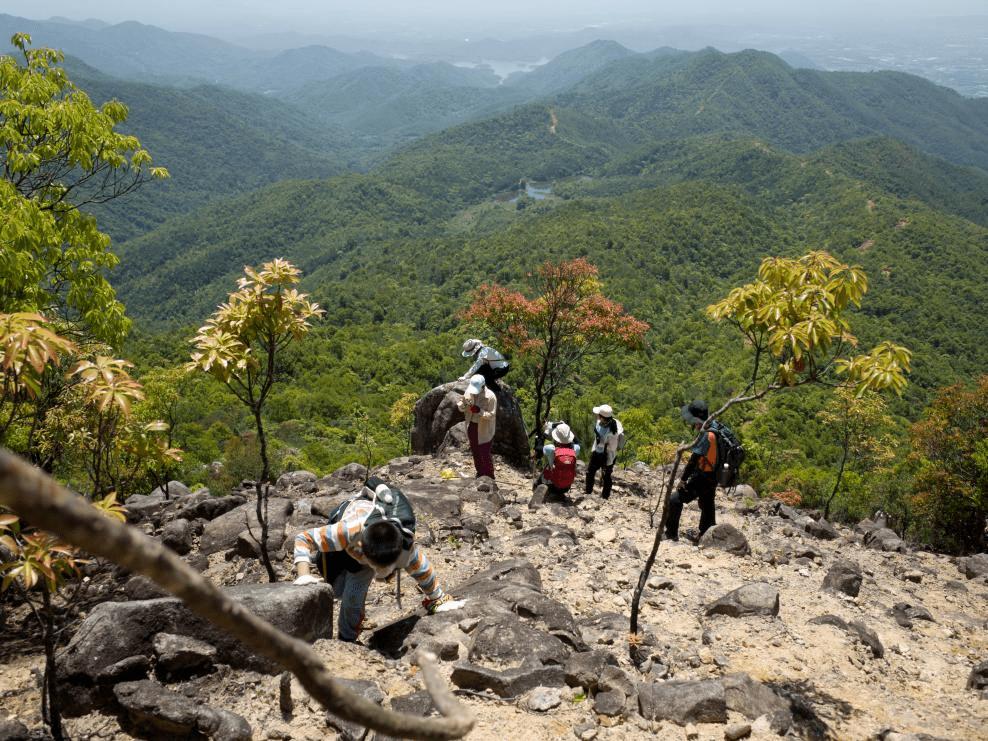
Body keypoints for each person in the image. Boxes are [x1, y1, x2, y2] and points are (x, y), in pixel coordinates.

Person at [292, 478, 453, 642]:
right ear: (360, 546)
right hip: (349, 551)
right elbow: (304, 538)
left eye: (386, 569)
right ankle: (351, 625)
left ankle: (347, 639)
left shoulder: (405, 550)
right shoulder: (348, 531)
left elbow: (424, 573)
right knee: (338, 590)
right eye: (378, 568)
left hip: (366, 557)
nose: (380, 574)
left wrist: (438, 599)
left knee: (352, 598)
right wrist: (303, 574)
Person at [665, 400, 720, 543]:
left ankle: (671, 534)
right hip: (714, 476)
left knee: (675, 500)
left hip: (702, 477)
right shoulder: (716, 427)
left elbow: (693, 461)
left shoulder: (706, 436)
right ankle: (706, 534)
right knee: (707, 504)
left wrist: (682, 480)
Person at [456, 373, 497, 479]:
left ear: (483, 386)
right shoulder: (469, 392)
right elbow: (461, 406)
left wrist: (479, 411)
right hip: (472, 425)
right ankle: (479, 472)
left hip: (485, 428)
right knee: (475, 451)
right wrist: (462, 405)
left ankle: (489, 476)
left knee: (485, 452)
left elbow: (492, 415)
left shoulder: (490, 397)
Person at [533, 421, 581, 501]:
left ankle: (540, 493)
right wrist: (567, 429)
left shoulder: (551, 448)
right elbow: (578, 442)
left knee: (545, 470)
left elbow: (538, 448)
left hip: (552, 487)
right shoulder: (575, 449)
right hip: (566, 487)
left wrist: (546, 433)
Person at [584, 404, 624, 500]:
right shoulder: (615, 424)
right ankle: (605, 496)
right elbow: (618, 445)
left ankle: (588, 491)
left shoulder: (602, 428)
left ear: (601, 416)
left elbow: (599, 444)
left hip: (600, 454)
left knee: (590, 472)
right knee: (607, 475)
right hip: (611, 455)